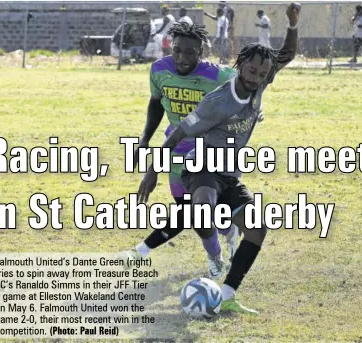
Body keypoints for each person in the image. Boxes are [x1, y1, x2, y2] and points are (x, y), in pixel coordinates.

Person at [138, 3, 300, 315]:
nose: (256, 77)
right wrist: (152, 171)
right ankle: (214, 256)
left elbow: (287, 56)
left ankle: (227, 294)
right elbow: (177, 135)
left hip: (229, 175)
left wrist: (293, 23)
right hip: (201, 170)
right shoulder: (218, 101)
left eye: (263, 73)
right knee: (201, 209)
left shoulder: (261, 81)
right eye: (252, 71)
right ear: (240, 66)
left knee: (258, 229)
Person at [121, 22, 246, 280]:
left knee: (200, 212)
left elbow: (244, 93)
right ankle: (221, 249)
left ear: (201, 52)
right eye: (177, 50)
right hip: (175, 151)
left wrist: (252, 111)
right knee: (190, 210)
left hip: (209, 153)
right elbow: (156, 103)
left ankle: (215, 251)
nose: (182, 58)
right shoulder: (159, 70)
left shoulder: (218, 76)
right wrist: (144, 141)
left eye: (190, 52)